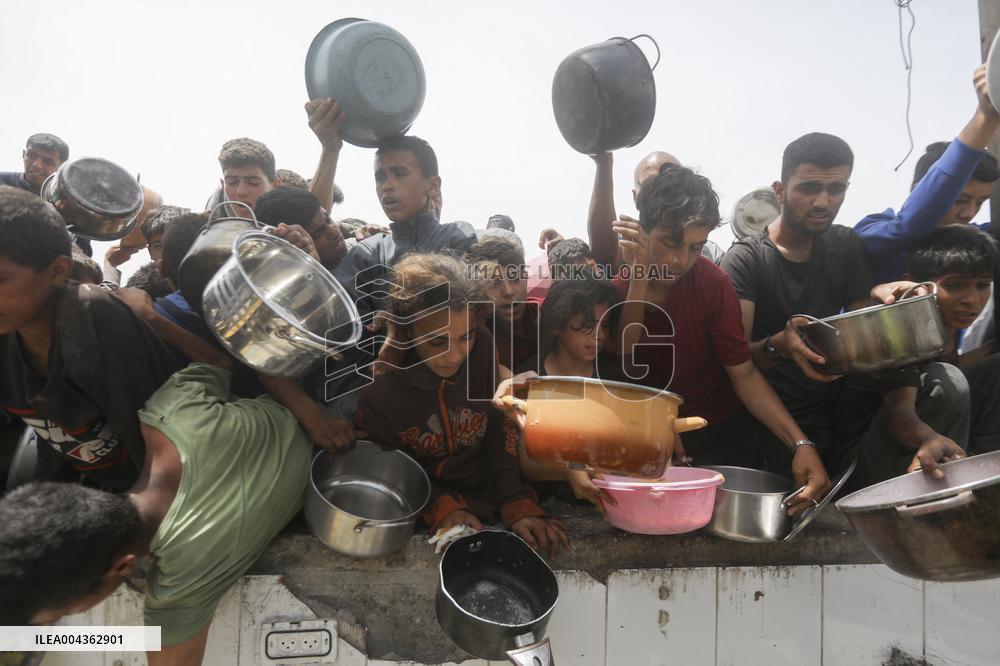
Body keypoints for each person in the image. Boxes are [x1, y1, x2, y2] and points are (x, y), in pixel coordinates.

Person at [0, 363, 313, 665]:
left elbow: (154, 648)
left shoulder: (187, 573)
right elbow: (220, 363)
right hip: (315, 400)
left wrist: (52, 640)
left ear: (124, 566)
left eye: (64, 614)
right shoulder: (171, 410)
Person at [608, 166, 832, 511]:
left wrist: (800, 443)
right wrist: (639, 276)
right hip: (637, 437)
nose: (681, 260)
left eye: (696, 247)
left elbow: (743, 373)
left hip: (716, 436)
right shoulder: (616, 287)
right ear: (642, 228)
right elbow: (625, 355)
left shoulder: (713, 283)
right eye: (669, 243)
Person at [355, 253, 569, 559]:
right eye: (436, 342)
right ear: (407, 331)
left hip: (489, 492)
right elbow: (390, 470)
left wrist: (516, 500)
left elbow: (498, 426)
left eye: (464, 337)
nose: (454, 356)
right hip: (424, 503)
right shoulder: (381, 391)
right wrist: (440, 507)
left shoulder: (481, 345)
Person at [0, 186, 181, 492]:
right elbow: (51, 443)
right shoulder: (8, 330)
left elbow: (161, 448)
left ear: (58, 271)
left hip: (162, 489)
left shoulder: (93, 320)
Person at [855, 65, 1000, 284]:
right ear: (921, 190)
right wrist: (984, 118)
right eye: (960, 200)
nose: (969, 213)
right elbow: (908, 227)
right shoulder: (875, 235)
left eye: (980, 203)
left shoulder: (981, 240)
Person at [333, 135, 477, 317]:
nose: (387, 185)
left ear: (433, 186)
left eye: (400, 174)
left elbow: (475, 308)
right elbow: (344, 324)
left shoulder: (458, 236)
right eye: (380, 177)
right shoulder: (365, 255)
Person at [587, 150, 723, 268]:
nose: (682, 260)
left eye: (694, 248)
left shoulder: (710, 253)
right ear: (635, 196)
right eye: (649, 183)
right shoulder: (628, 243)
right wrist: (604, 164)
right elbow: (604, 256)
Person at [465, 237, 540, 377]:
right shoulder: (472, 332)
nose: (508, 292)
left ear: (526, 277)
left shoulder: (546, 316)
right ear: (477, 288)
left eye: (515, 278)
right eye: (495, 283)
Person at [254, 187, 348, 272]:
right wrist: (313, 270)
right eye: (318, 233)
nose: (335, 232)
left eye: (328, 220)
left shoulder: (358, 255)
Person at [217, 138, 277, 210]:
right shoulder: (210, 217)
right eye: (232, 182)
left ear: (275, 186)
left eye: (253, 182)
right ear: (223, 186)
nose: (241, 192)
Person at [0, 133, 69, 195]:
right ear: (24, 155)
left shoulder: (65, 201)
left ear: (61, 168)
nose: (36, 165)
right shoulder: (2, 182)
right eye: (32, 156)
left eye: (47, 162)